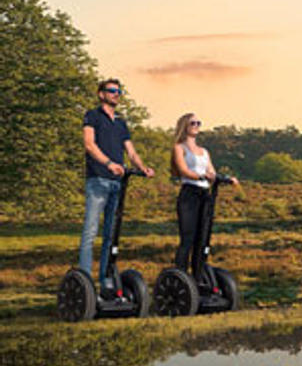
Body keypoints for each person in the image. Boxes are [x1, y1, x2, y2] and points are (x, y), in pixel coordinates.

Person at [81, 78, 154, 289]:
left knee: (110, 235)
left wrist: (142, 168)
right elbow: (89, 144)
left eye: (119, 91)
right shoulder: (92, 115)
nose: (116, 94)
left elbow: (130, 151)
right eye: (112, 90)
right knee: (90, 232)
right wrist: (109, 163)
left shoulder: (121, 122)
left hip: (117, 183)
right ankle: (85, 282)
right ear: (101, 94)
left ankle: (107, 281)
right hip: (98, 180)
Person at [170, 112, 237, 271]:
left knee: (203, 238)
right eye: (193, 123)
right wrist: (200, 176)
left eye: (198, 123)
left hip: (205, 195)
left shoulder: (204, 151)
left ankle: (198, 275)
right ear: (184, 125)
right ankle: (181, 274)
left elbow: (211, 172)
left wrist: (225, 179)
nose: (196, 126)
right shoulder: (179, 147)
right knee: (188, 237)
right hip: (189, 194)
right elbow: (182, 170)